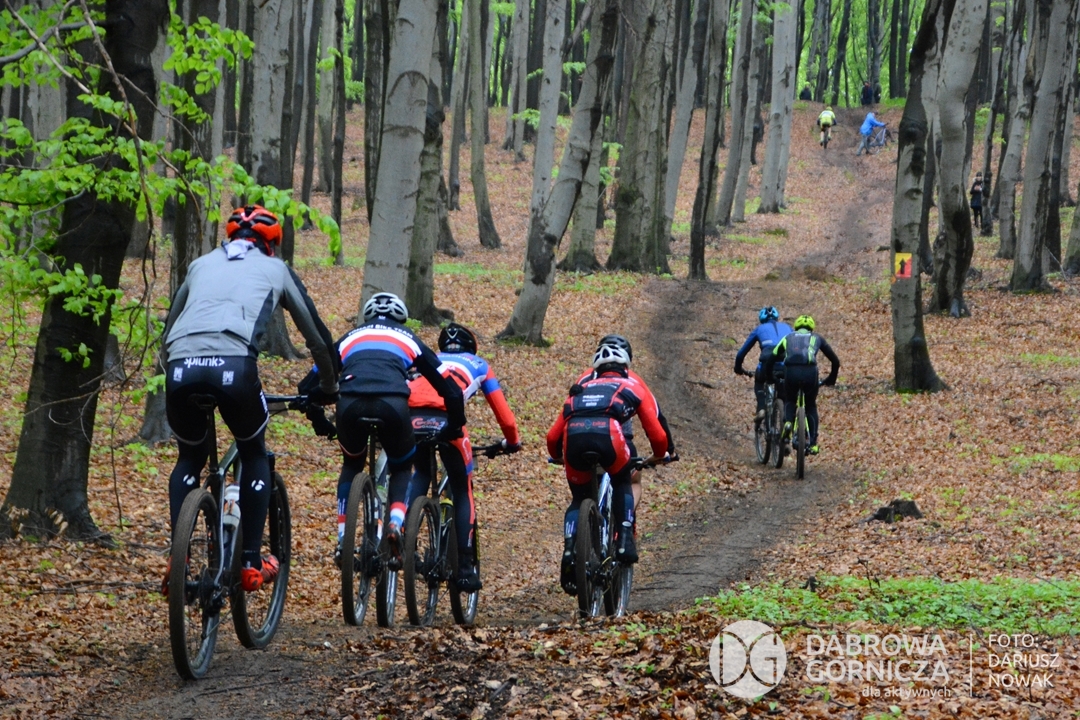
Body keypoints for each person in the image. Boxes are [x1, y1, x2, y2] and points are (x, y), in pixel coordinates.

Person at [162, 205, 340, 594]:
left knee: (189, 458)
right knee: (254, 451)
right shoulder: (276, 269)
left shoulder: (200, 265)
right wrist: (329, 387)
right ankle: (249, 562)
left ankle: (179, 558)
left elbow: (169, 328)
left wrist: (173, 371)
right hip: (235, 367)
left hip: (180, 368)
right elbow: (316, 336)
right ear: (271, 244)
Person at [322, 293, 466, 569]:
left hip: (349, 404)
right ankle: (395, 524)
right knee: (401, 467)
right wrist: (455, 424)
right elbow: (449, 387)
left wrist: (317, 415)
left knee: (351, 464)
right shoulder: (408, 338)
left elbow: (314, 378)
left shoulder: (349, 337)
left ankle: (342, 538)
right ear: (401, 318)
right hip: (393, 404)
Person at [547, 343, 672, 595]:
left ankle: (570, 548)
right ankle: (624, 538)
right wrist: (660, 454)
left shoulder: (581, 387)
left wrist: (557, 456)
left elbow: (552, 436)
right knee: (623, 481)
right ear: (626, 366)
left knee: (578, 499)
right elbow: (658, 433)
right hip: (611, 438)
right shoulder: (632, 384)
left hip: (574, 440)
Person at [405, 323, 522, 591]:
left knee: (421, 472)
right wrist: (512, 442)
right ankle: (466, 569)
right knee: (461, 487)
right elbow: (505, 418)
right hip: (448, 421)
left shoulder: (427, 359)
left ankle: (401, 535)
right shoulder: (479, 365)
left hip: (411, 419)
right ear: (471, 347)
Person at [571, 335, 676, 511]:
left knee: (583, 486)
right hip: (620, 439)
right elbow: (656, 416)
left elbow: (571, 409)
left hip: (580, 435)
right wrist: (669, 450)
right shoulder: (632, 379)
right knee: (633, 480)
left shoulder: (584, 378)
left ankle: (586, 521)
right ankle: (627, 518)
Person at [764, 315, 840, 456]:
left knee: (790, 399)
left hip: (791, 372)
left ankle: (788, 423)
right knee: (810, 405)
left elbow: (771, 358)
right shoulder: (817, 338)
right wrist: (831, 379)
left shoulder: (788, 337)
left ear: (796, 327)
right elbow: (835, 361)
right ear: (811, 328)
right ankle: (813, 443)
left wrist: (771, 377)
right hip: (810, 372)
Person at [733, 307, 793, 422]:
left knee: (759, 382)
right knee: (784, 392)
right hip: (786, 364)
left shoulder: (759, 329)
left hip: (767, 364)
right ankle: (785, 419)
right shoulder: (787, 327)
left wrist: (738, 368)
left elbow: (741, 353)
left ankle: (761, 408)